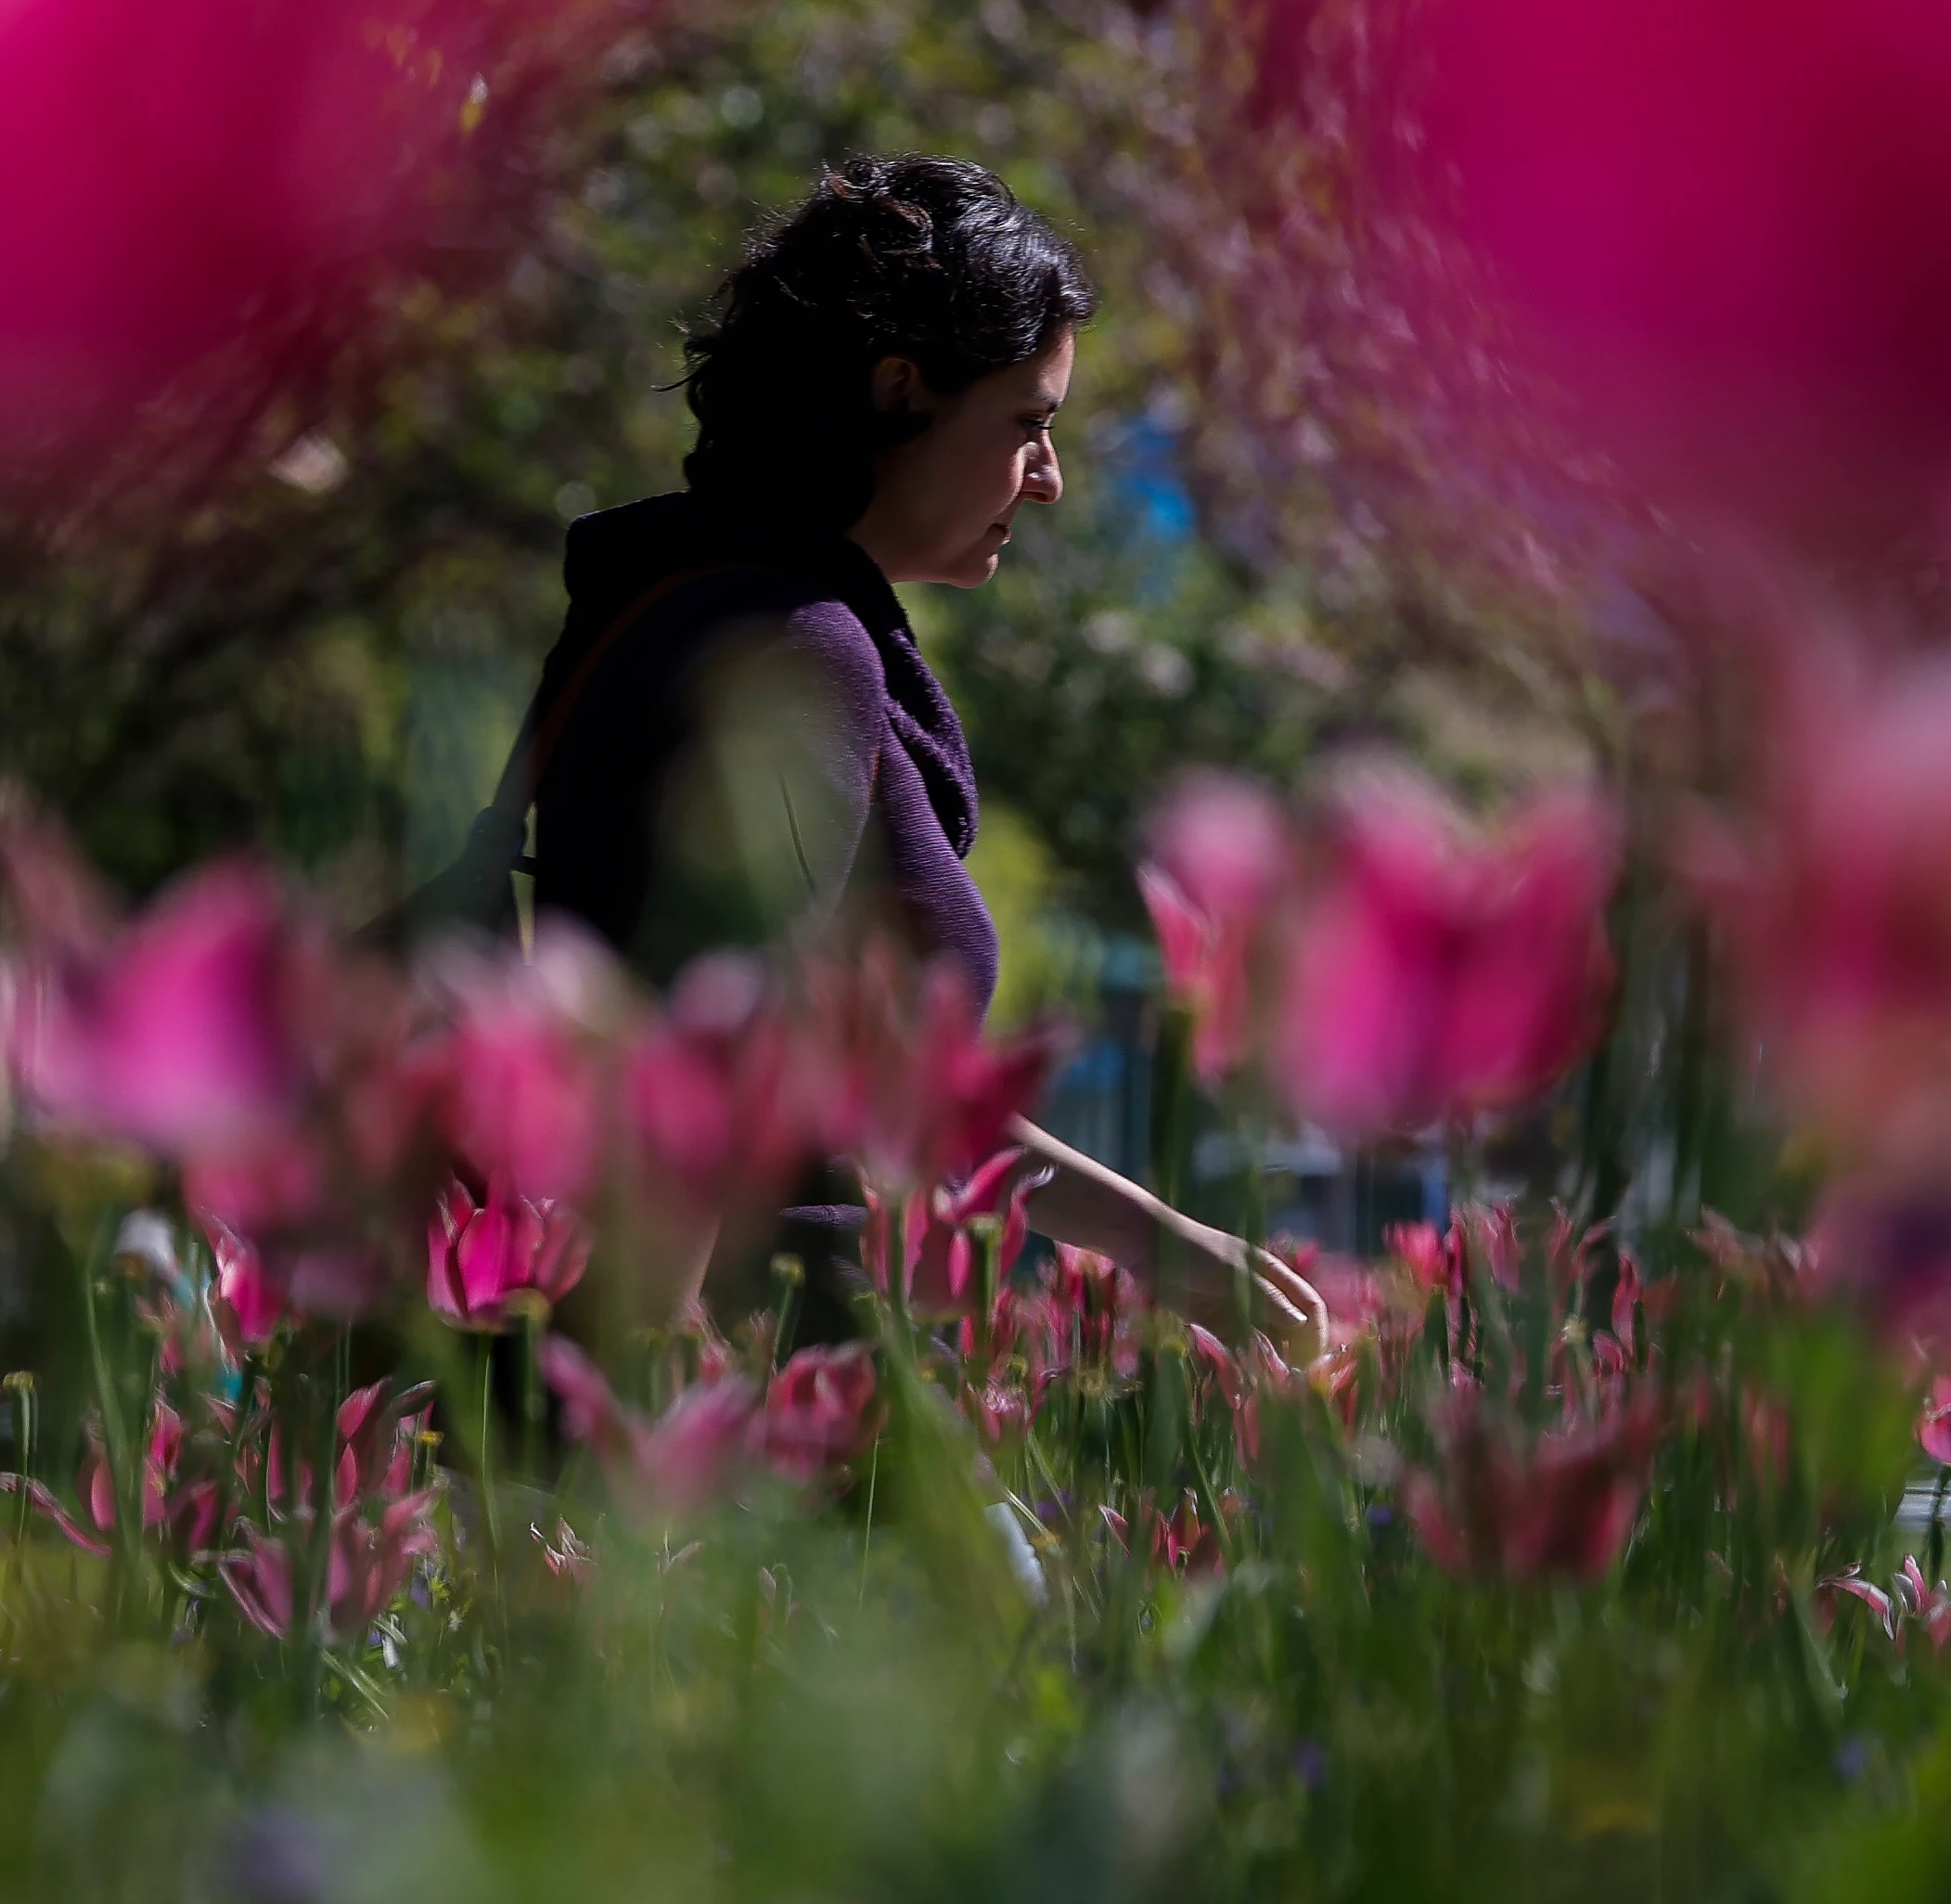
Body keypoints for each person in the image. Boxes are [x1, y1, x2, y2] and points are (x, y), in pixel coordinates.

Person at [484, 153, 1324, 1351]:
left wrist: (1162, 1246)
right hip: (756, 1387)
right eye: (1027, 424)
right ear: (898, 391)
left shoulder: (687, 603)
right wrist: (631, 1454)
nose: (1048, 481)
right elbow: (705, 1069)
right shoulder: (792, 648)